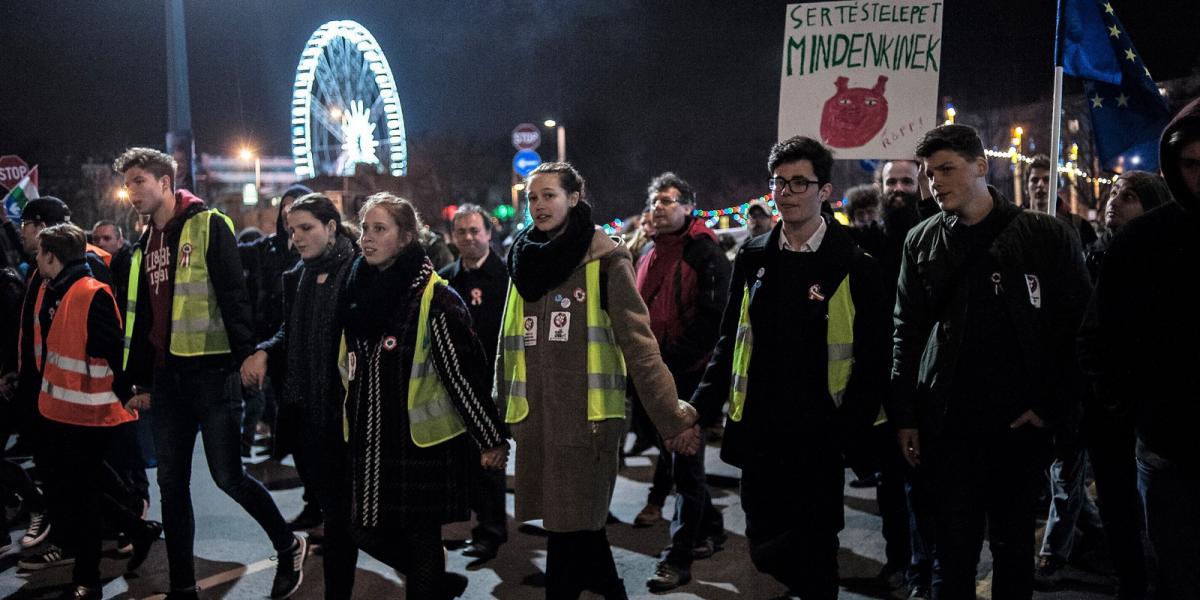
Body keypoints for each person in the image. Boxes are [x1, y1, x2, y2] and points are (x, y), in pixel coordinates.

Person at [890, 125, 1092, 599]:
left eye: (945, 169)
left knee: (1013, 549)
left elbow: (1077, 330)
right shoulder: (921, 241)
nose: (934, 181)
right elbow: (906, 332)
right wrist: (906, 417)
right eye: (928, 171)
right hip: (948, 424)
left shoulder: (1045, 236)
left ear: (981, 166)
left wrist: (1050, 405)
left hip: (1018, 427)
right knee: (952, 553)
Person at [687, 137, 891, 600]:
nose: (787, 191)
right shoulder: (754, 257)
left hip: (820, 435)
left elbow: (874, 359)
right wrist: (699, 408)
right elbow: (729, 340)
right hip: (761, 430)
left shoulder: (854, 264)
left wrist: (848, 431)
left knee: (818, 550)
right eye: (779, 182)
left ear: (824, 190)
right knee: (763, 546)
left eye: (800, 182)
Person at [497, 162, 699, 600]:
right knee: (578, 532)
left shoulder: (606, 258)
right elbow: (506, 346)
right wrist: (495, 427)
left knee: (568, 537)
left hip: (588, 424)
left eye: (549, 195)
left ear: (574, 198)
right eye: (532, 197)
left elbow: (640, 346)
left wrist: (672, 418)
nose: (539, 205)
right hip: (540, 424)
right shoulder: (521, 261)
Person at [113, 147, 306, 600]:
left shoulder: (208, 225)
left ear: (165, 181)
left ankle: (287, 544)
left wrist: (247, 357)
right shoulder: (145, 244)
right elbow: (142, 319)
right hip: (167, 378)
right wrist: (139, 381)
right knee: (171, 486)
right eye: (128, 184)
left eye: (139, 180)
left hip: (212, 371)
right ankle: (183, 589)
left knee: (228, 477)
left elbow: (233, 296)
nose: (131, 191)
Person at [342, 192, 509, 600]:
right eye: (365, 228)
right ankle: (436, 583)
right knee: (360, 528)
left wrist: (489, 437)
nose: (367, 238)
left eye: (379, 229)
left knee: (421, 539)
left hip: (420, 444)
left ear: (405, 237)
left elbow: (461, 374)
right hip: (372, 440)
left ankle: (429, 584)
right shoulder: (359, 289)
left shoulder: (435, 297)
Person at [1080, 96, 1200, 600]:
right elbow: (1101, 338)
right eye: (1192, 165)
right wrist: (1132, 410)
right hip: (1167, 446)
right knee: (1180, 575)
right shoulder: (1142, 242)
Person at [24, 223, 162, 600]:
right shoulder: (59, 288)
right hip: (63, 412)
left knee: (81, 496)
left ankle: (88, 578)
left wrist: (129, 394)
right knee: (81, 487)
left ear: (51, 256)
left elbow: (115, 350)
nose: (35, 259)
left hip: (89, 413)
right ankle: (137, 529)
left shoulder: (87, 292)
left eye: (39, 254)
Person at [240, 193, 360, 600]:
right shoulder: (301, 275)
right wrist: (265, 350)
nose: (297, 238)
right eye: (292, 230)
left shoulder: (358, 271)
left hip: (346, 413)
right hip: (308, 411)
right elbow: (290, 332)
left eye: (306, 228)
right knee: (338, 518)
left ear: (331, 226)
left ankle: (425, 573)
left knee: (349, 521)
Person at [1073, 170, 1170, 600]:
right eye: (1113, 192)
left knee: (1164, 517)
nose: (1115, 200)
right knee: (1118, 510)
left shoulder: (1166, 260)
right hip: (1107, 413)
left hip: (1155, 413)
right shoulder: (1094, 256)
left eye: (1128, 196)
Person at [633, 172, 731, 592]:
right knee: (679, 462)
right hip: (656, 377)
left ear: (689, 207)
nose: (660, 206)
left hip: (689, 376)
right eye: (656, 200)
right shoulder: (649, 253)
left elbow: (713, 321)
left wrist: (666, 361)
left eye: (670, 200)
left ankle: (679, 557)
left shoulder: (705, 254)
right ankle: (711, 527)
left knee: (686, 466)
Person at [438, 204, 511, 563]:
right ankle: (474, 522)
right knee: (465, 461)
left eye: (474, 231)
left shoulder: (507, 277)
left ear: (488, 234)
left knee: (490, 460)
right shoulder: (446, 279)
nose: (468, 237)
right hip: (455, 384)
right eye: (461, 232)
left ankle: (492, 531)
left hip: (492, 384)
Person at [1027, 154, 1098, 248]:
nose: (1040, 184)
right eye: (1035, 180)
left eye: (1047, 179)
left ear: (1057, 186)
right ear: (1026, 187)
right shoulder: (1015, 225)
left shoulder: (1080, 227)